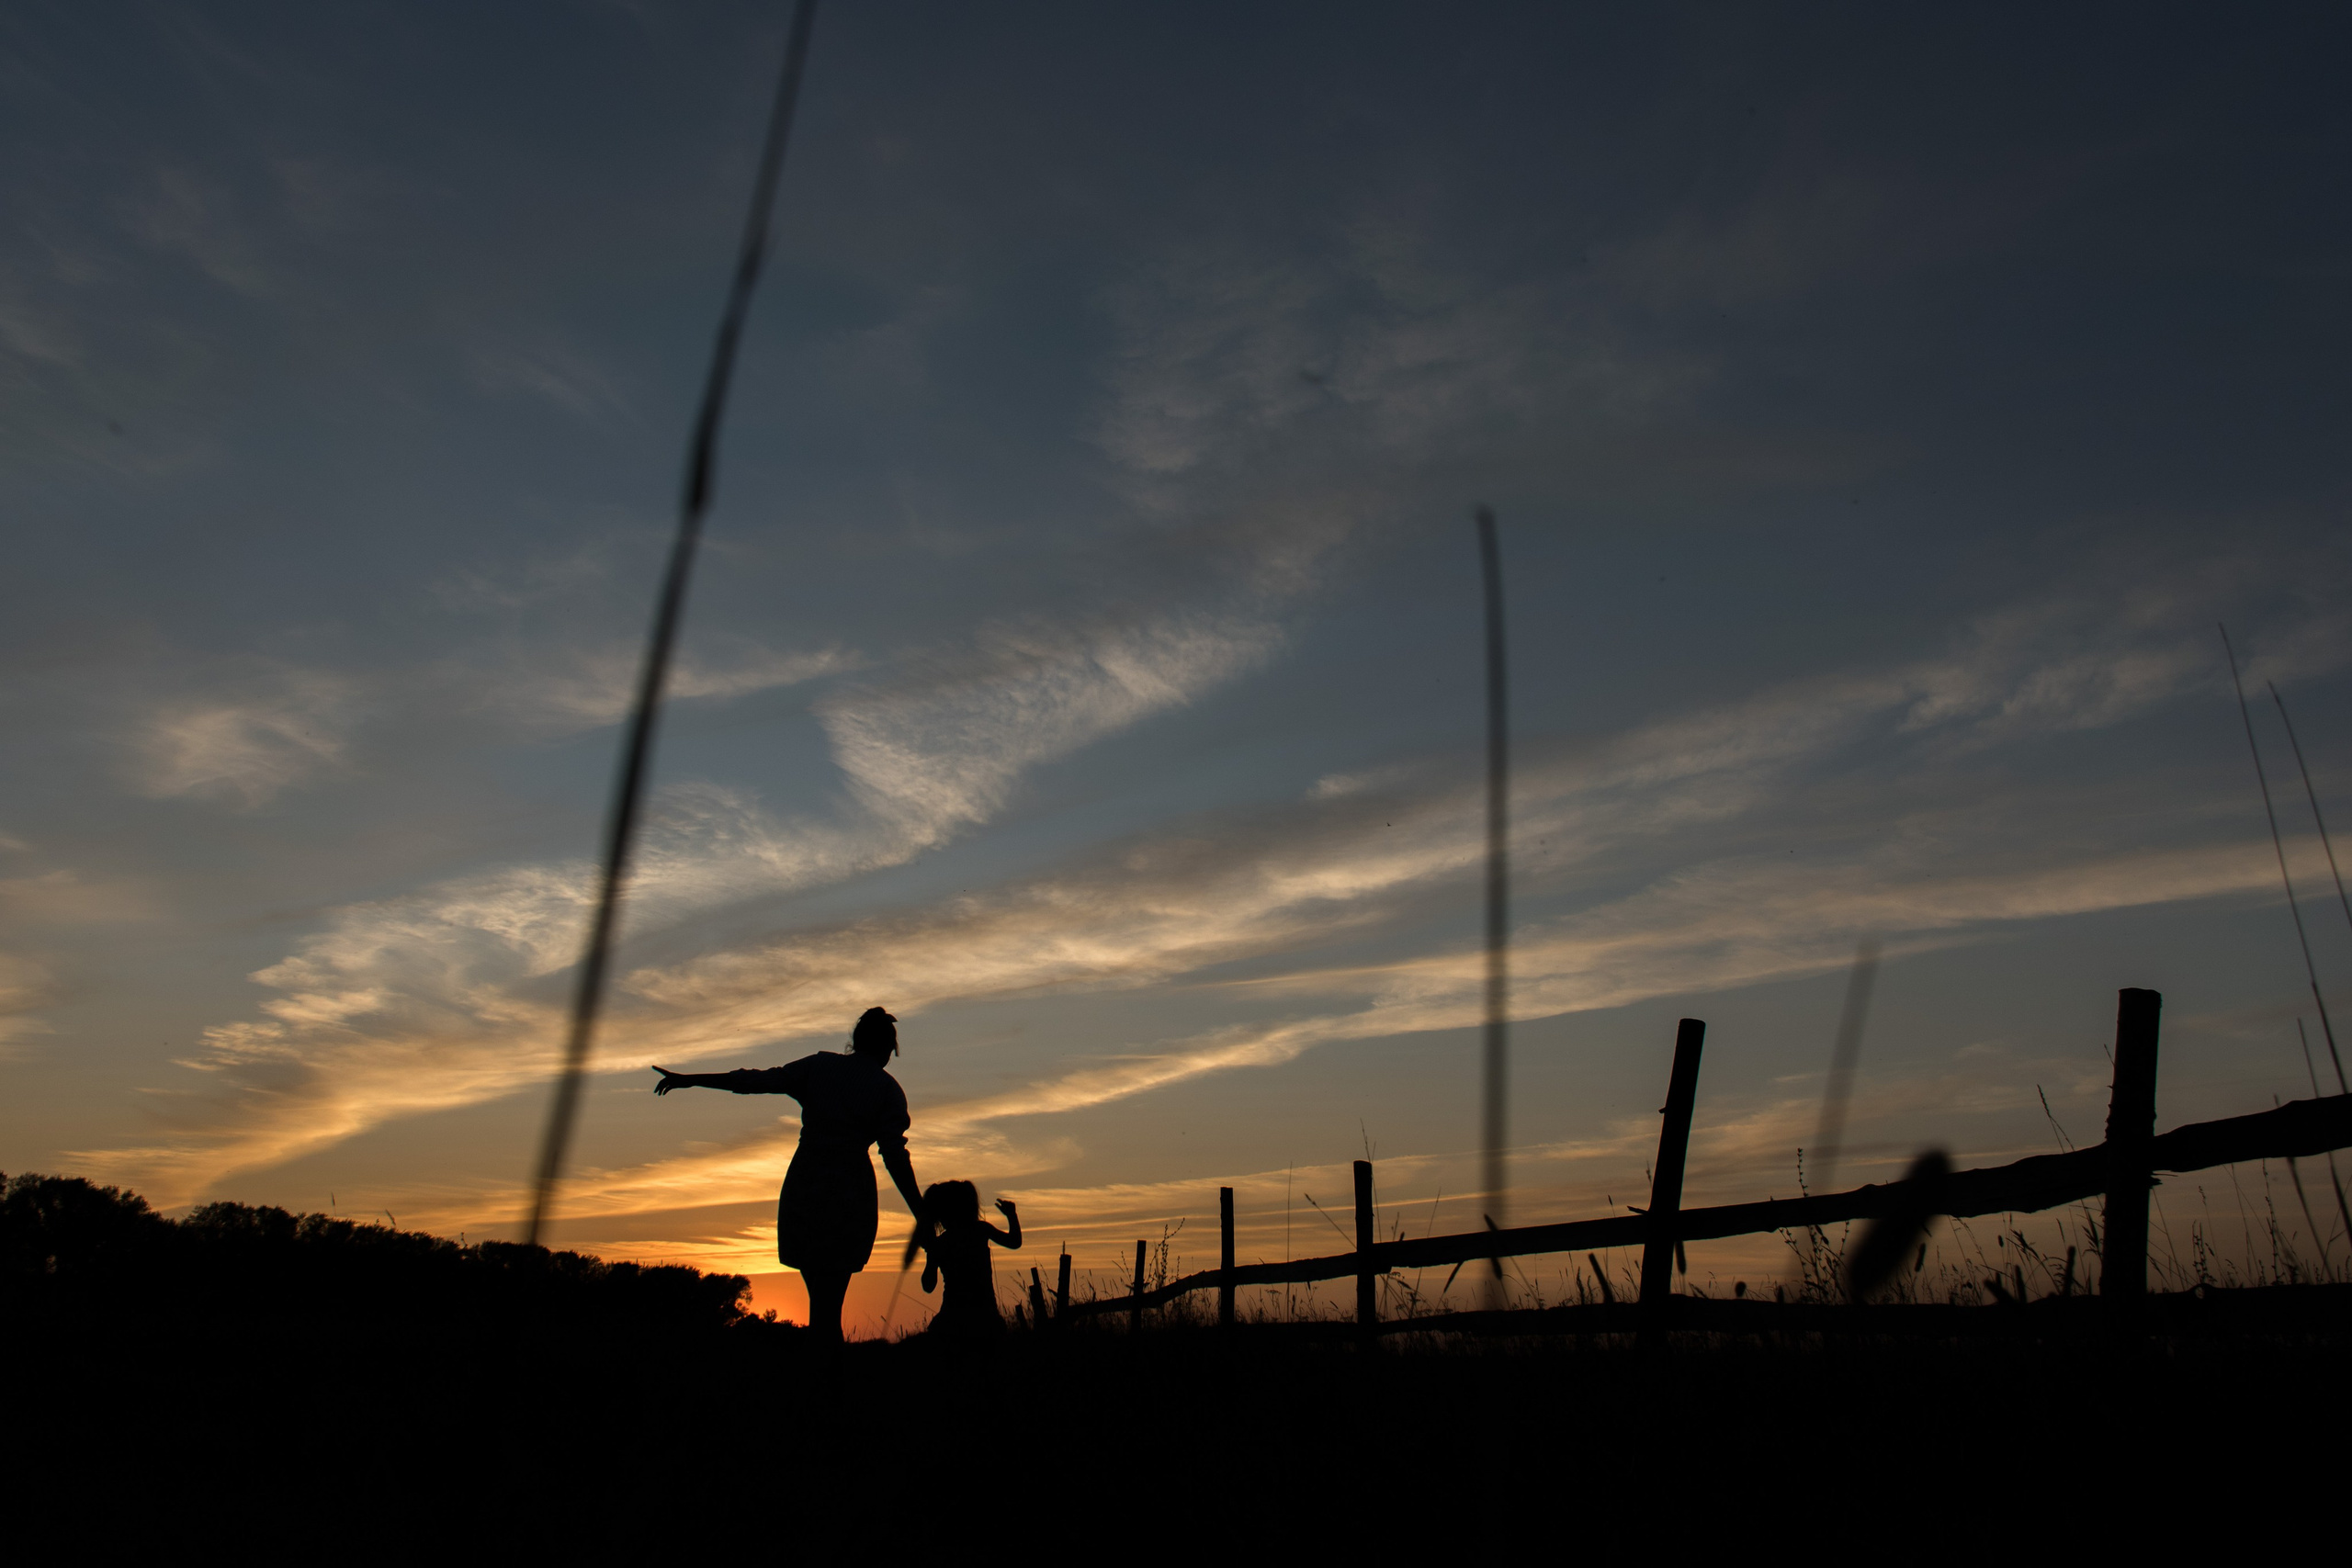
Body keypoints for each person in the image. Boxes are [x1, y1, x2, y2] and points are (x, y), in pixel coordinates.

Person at [650, 1007, 922, 1343]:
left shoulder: (818, 1067)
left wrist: (690, 1080)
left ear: (856, 1041)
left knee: (820, 1301)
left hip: (808, 1184)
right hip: (850, 1192)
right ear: (886, 1048)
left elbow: (752, 1080)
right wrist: (921, 1213)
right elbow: (894, 1155)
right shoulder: (887, 1089)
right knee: (830, 1301)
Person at [916, 1180, 1020, 1338]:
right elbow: (1014, 1242)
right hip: (985, 1316)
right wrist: (1012, 1216)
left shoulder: (941, 1243)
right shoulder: (980, 1230)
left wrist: (931, 1253)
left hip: (952, 1318)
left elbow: (928, 1286)